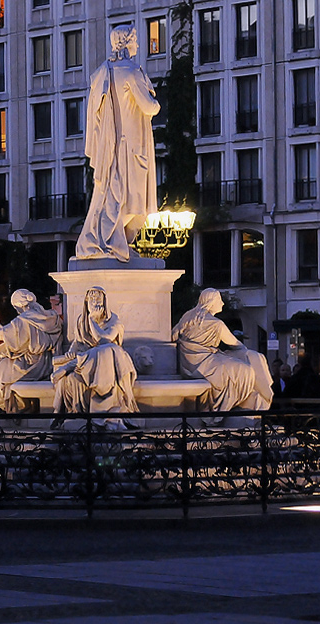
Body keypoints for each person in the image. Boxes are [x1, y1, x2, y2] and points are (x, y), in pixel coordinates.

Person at [75, 24, 161, 262]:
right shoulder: (131, 72)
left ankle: (114, 242)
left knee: (115, 197)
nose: (138, 44)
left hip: (113, 146)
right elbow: (150, 107)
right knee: (132, 200)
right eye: (134, 40)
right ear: (125, 43)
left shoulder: (106, 71)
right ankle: (112, 242)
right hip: (132, 147)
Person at [171, 289, 274, 421]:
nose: (222, 304)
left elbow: (173, 335)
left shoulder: (188, 316)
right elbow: (236, 344)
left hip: (187, 364)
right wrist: (243, 352)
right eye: (219, 300)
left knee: (238, 368)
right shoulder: (216, 324)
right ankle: (220, 409)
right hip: (204, 362)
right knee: (245, 371)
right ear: (211, 302)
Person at [52, 287, 138, 430]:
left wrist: (92, 319)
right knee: (71, 380)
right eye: (91, 299)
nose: (95, 303)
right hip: (87, 365)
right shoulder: (82, 321)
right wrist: (71, 351)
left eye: (98, 299)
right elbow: (78, 342)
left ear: (105, 302)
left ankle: (68, 367)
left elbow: (103, 340)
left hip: (109, 364)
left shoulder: (113, 320)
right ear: (86, 302)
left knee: (107, 349)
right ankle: (78, 416)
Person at [0, 289, 63, 413]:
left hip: (28, 364)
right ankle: (6, 404)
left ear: (18, 306)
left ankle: (2, 405)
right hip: (44, 363)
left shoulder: (23, 321)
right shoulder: (51, 317)